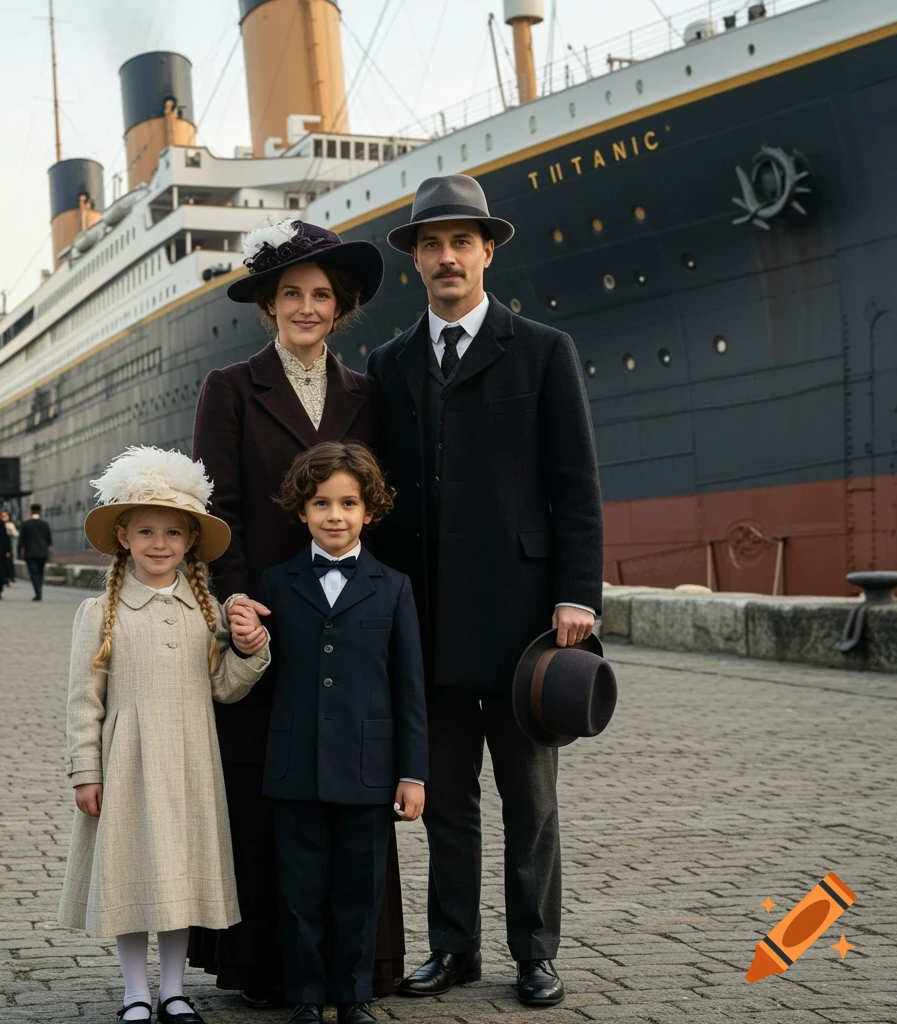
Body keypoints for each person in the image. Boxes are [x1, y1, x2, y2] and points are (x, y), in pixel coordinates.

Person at [366, 175, 604, 1007]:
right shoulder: (389, 364)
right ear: (416, 262)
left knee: (530, 801)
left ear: (487, 251)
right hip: (425, 624)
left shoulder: (542, 350)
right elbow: (375, 497)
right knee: (444, 806)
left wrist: (578, 594)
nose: (446, 258)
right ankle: (454, 951)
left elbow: (574, 487)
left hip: (522, 625)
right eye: (431, 245)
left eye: (461, 242)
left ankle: (535, 952)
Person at [189, 220, 408, 1004]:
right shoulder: (230, 388)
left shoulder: (367, 394)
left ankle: (357, 969)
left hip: (349, 618)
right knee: (266, 790)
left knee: (351, 788)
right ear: (269, 305)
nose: (306, 308)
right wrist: (236, 600)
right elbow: (221, 508)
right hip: (267, 621)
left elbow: (381, 507)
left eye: (321, 295)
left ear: (341, 306)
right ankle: (268, 969)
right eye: (291, 295)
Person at [57, 445, 271, 1024]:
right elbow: (83, 701)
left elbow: (225, 688)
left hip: (191, 761)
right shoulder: (98, 612)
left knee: (178, 876)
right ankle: (133, 992)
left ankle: (174, 991)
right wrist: (85, 771)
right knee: (131, 874)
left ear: (189, 542)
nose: (159, 544)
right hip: (127, 761)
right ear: (123, 536)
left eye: (173, 533)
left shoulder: (205, 612)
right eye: (146, 531)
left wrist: (252, 651)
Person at [256, 442, 428, 1024]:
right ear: (301, 511)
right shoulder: (275, 584)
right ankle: (305, 995)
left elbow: (409, 688)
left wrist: (413, 773)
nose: (335, 515)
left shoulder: (394, 586)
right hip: (295, 764)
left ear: (369, 510)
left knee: (360, 892)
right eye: (321, 503)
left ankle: (353, 998)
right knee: (300, 890)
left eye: (349, 503)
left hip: (368, 767)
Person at [19, 503, 53, 600]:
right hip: (42, 552)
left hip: (30, 553)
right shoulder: (45, 524)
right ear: (40, 512)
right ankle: (39, 589)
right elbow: (49, 540)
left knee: (33, 573)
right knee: (41, 572)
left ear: (31, 512)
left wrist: (19, 553)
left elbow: (21, 541)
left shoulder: (26, 524)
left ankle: (37, 591)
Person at [0, 509, 18, 586]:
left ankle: (10, 576)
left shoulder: (10, 524)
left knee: (9, 562)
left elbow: (16, 534)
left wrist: (11, 531)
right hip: (1, 547)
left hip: (9, 545)